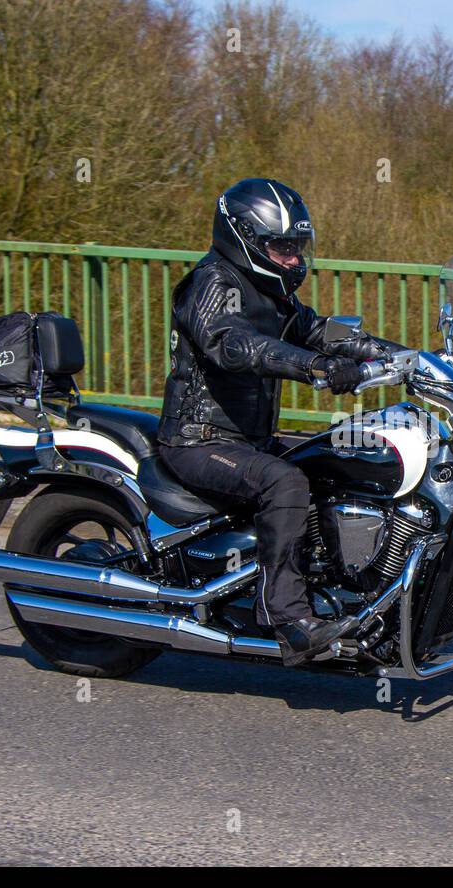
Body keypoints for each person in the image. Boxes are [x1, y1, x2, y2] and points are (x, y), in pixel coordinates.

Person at [157, 178, 390, 666]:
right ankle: (288, 620)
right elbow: (232, 342)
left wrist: (404, 358)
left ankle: (353, 598)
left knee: (337, 460)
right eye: (280, 247)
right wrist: (314, 367)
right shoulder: (212, 284)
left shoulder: (273, 293)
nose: (292, 258)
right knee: (284, 482)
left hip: (249, 441)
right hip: (198, 440)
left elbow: (320, 331)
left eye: (296, 247)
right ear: (243, 238)